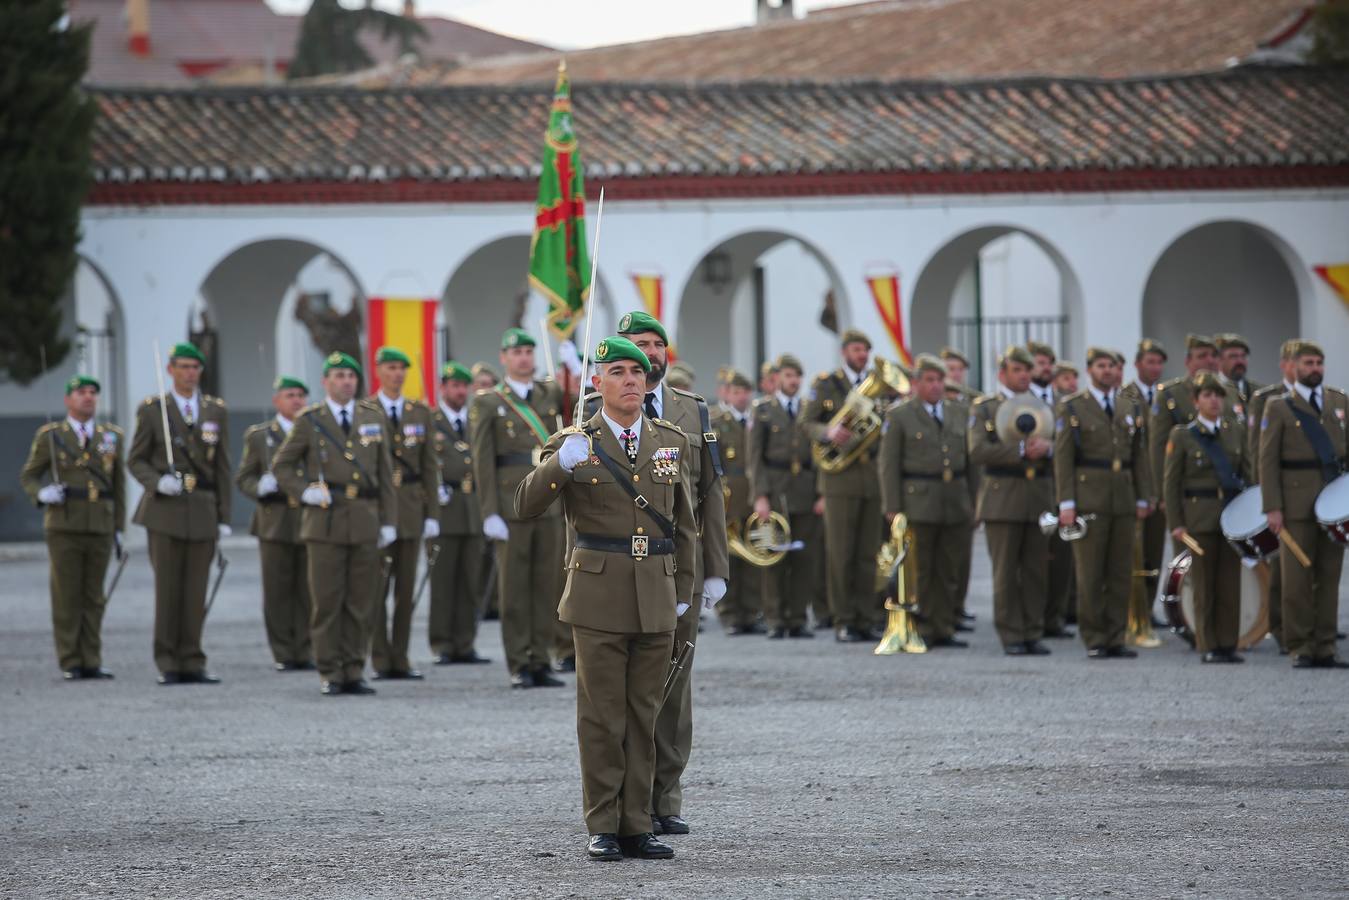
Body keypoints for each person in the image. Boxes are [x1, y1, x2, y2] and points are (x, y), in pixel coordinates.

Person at [517, 335, 697, 862]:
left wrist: (684, 590)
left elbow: (684, 524)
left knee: (646, 713)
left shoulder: (670, 439)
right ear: (596, 382)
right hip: (598, 593)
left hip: (656, 594)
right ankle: (602, 822)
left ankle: (637, 822)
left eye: (638, 373)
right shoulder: (575, 439)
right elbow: (525, 503)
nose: (631, 381)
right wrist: (558, 466)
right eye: (618, 372)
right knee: (601, 716)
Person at [612, 310, 728, 837]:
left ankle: (665, 797)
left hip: (678, 570)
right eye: (640, 344)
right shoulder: (597, 411)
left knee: (674, 687)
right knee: (620, 692)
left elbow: (709, 495)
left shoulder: (692, 411)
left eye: (657, 344)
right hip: (617, 571)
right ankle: (620, 802)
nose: (651, 353)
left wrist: (715, 568)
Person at [272, 352, 397, 695]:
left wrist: (389, 520)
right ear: (326, 381)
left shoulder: (372, 417)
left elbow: (385, 474)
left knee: (361, 600)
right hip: (324, 520)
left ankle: (354, 668)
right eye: (339, 376)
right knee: (327, 601)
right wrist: (303, 491)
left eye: (351, 376)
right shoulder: (311, 419)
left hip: (364, 517)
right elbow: (281, 465)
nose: (346, 381)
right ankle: (330, 670)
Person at [128, 341, 231, 685]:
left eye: (195, 367)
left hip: (202, 509)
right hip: (166, 511)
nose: (190, 373)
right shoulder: (153, 410)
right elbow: (136, 459)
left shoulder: (215, 410)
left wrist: (225, 515)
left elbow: (223, 468)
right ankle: (168, 660)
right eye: (183, 367)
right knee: (168, 588)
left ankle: (193, 659)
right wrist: (157, 482)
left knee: (195, 590)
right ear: (171, 370)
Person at [469, 328, 567, 689]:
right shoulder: (489, 401)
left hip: (548, 502)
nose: (524, 357)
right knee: (514, 589)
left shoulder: (549, 393)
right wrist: (489, 512)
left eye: (528, 351)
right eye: (517, 352)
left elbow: (578, 398)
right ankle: (519, 662)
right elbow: (482, 462)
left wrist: (573, 363)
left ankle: (541, 659)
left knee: (546, 585)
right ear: (504, 358)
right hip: (511, 507)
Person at [19, 374, 125, 680]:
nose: (88, 397)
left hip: (100, 523)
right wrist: (41, 493)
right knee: (67, 595)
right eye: (81, 392)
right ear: (68, 399)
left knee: (94, 595)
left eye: (93, 392)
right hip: (64, 524)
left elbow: (117, 485)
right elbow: (29, 475)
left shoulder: (111, 436)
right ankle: (70, 659)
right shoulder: (52, 436)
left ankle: (91, 658)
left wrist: (118, 527)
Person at [1054, 347, 1151, 659]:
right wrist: (1066, 503)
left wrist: (1142, 495)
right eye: (1101, 366)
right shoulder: (1073, 407)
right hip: (1089, 495)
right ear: (1090, 370)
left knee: (1120, 571)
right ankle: (1095, 636)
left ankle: (1116, 635)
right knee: (1091, 572)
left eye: (1111, 365)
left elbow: (1139, 455)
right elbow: (1064, 458)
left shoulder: (1129, 405)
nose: (1107, 371)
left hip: (1121, 495)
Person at [1259, 341, 1349, 669]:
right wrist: (1272, 506)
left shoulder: (1339, 402)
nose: (1315, 369)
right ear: (1293, 367)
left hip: (1334, 502)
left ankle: (1325, 645)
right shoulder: (1279, 406)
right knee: (1296, 580)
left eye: (1319, 363)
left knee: (1329, 576)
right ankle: (1300, 645)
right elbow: (1267, 461)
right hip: (1295, 504)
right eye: (1308, 363)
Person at [880, 353, 972, 647]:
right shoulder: (900, 415)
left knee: (949, 568)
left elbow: (971, 462)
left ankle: (944, 626)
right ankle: (921, 626)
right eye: (929, 380)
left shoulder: (959, 412)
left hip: (954, 498)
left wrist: (975, 500)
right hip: (918, 500)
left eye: (939, 380)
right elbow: (888, 464)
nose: (935, 386)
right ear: (917, 383)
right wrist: (892, 506)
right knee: (922, 568)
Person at [968, 347, 1054, 654]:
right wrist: (1018, 452)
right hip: (1003, 498)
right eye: (1017, 370)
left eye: (1027, 371)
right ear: (1002, 374)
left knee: (1035, 570)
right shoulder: (985, 408)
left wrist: (1048, 449)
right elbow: (978, 451)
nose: (1023, 376)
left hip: (1038, 498)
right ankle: (1011, 634)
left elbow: (1063, 445)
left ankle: (1032, 630)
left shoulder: (1043, 405)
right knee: (1005, 571)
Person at [802, 329, 886, 642]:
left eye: (865, 349)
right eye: (856, 349)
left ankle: (866, 616)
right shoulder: (826, 383)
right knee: (840, 553)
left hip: (871, 479)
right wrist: (828, 432)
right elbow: (806, 423)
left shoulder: (878, 387)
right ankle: (843, 619)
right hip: (839, 480)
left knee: (868, 553)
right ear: (844, 352)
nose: (861, 354)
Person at [1163, 373, 1250, 663]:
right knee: (1203, 585)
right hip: (1199, 519)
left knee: (1229, 583)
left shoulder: (1235, 430)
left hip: (1231, 516)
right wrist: (1176, 522)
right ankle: (1208, 644)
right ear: (1196, 401)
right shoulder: (1183, 435)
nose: (1214, 400)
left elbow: (1247, 473)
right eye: (1207, 395)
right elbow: (1171, 483)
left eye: (1218, 395)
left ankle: (1228, 642)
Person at [369, 346, 440, 681]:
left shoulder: (419, 412)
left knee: (406, 589)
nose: (397, 374)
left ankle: (401, 655)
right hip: (379, 510)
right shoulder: (365, 411)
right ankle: (380, 657)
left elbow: (429, 467)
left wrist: (432, 515)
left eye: (402, 368)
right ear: (379, 371)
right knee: (376, 589)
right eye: (391, 368)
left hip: (411, 507)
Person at [235, 375, 313, 672]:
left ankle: (307, 648)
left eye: (301, 395)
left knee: (308, 589)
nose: (296, 401)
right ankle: (283, 651)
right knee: (278, 590)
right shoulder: (259, 436)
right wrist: (259, 487)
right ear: (277, 401)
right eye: (290, 395)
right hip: (275, 518)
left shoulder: (315, 430)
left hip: (307, 516)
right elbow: (244, 477)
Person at [749, 353, 822, 639]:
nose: (794, 381)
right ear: (777, 378)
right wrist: (760, 496)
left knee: (804, 558)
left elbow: (817, 457)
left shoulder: (807, 410)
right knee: (774, 557)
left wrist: (821, 494)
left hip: (804, 489)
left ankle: (798, 617)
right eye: (789, 376)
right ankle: (775, 618)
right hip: (775, 490)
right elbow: (755, 457)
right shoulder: (764, 410)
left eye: (797, 376)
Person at [428, 361, 488, 665]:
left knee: (470, 580)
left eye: (464, 386)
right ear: (443, 388)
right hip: (445, 509)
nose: (460, 391)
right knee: (443, 580)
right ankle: (442, 643)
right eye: (454, 386)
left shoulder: (476, 420)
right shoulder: (431, 420)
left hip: (473, 507)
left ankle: (465, 643)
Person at [1246, 339, 1299, 653]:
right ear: (1284, 365)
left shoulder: (1325, 400)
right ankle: (1280, 627)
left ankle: (1309, 625)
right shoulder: (1266, 398)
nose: (1300, 368)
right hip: (1279, 491)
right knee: (1280, 564)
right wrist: (1264, 495)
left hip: (1310, 492)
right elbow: (1258, 450)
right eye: (1294, 361)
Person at [1119, 338, 1168, 625]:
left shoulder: (1166, 396)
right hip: (1135, 486)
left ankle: (1147, 608)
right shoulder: (1126, 397)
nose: (1155, 367)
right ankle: (1130, 608)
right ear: (1138, 364)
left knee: (1154, 550)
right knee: (1131, 552)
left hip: (1158, 485)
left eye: (1159, 362)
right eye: (1150, 361)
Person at [712, 369, 762, 635]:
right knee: (728, 558)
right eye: (736, 392)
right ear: (727, 393)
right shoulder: (718, 421)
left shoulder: (755, 421)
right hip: (729, 495)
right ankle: (730, 613)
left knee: (753, 553)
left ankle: (751, 612)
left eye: (745, 392)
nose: (742, 397)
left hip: (753, 494)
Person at [1215, 334, 1262, 406]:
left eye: (1243, 356)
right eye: (1233, 356)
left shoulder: (1259, 392)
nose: (1240, 361)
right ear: (1219, 359)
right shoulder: (1210, 391)